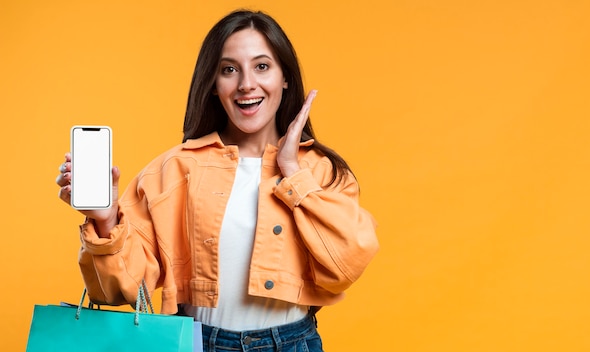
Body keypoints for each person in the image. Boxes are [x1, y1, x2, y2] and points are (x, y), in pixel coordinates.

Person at [56, 9, 378, 352]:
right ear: (213, 84)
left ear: (285, 77)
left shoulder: (319, 171)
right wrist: (105, 220)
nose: (246, 84)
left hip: (293, 343)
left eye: (262, 66)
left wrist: (292, 171)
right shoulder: (174, 169)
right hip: (197, 342)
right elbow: (119, 291)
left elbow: (348, 264)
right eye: (229, 70)